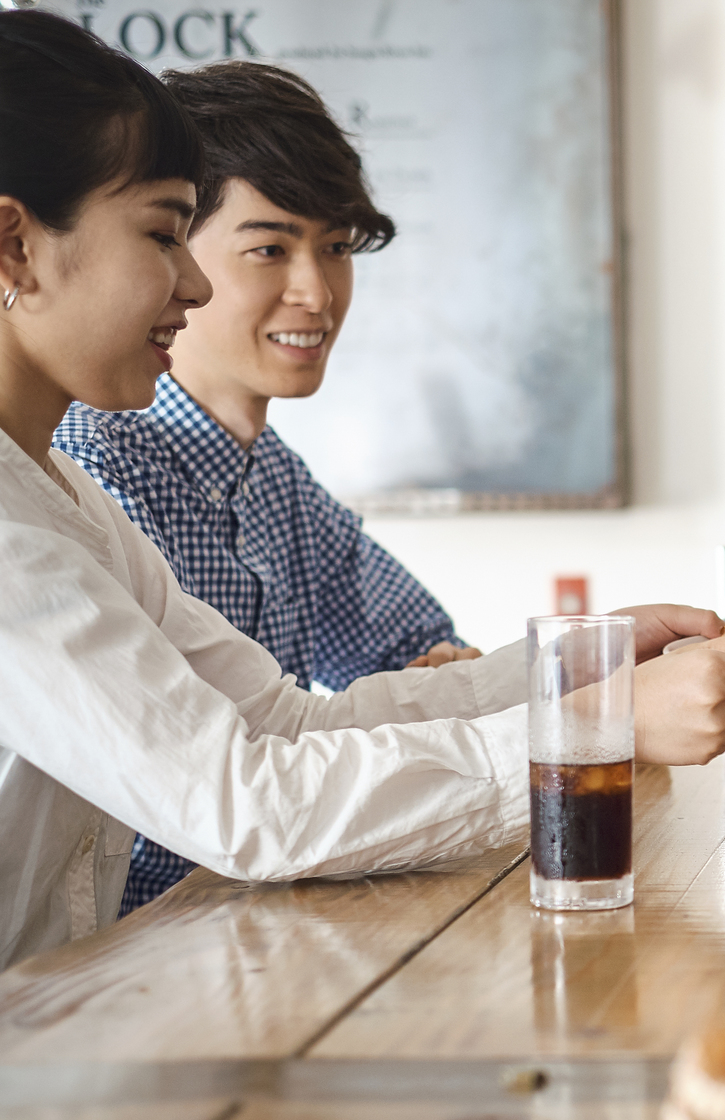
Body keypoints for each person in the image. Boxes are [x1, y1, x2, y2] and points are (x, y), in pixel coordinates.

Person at [0, 11, 725, 969]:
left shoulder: (60, 497)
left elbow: (288, 723)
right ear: (14, 244)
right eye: (164, 236)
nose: (194, 285)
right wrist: (598, 727)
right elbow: (245, 801)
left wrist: (572, 676)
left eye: (338, 248)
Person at [51, 61, 481, 914]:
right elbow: (237, 793)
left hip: (254, 931)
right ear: (175, 249)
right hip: (127, 959)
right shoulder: (90, 464)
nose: (317, 292)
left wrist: (471, 686)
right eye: (269, 248)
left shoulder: (273, 478)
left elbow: (420, 653)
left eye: (335, 248)